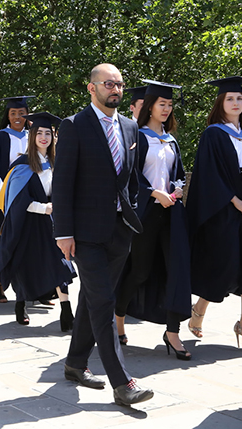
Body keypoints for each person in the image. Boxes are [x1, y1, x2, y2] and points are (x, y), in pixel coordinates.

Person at [53, 63, 153, 406]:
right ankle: (123, 382)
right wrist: (63, 232)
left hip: (119, 230)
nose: (116, 89)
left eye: (120, 84)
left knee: (94, 298)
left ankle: (75, 364)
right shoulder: (74, 126)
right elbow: (62, 183)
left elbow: (132, 178)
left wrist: (133, 212)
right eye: (109, 83)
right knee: (104, 301)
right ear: (91, 88)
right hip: (84, 234)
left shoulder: (129, 127)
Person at [186, 76, 242, 352]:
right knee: (224, 264)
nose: (236, 102)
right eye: (230, 98)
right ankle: (199, 308)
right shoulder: (213, 134)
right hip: (224, 210)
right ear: (221, 103)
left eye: (240, 99)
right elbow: (208, 176)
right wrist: (234, 201)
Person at [114, 81, 192, 361]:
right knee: (140, 272)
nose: (167, 109)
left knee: (176, 271)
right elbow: (129, 175)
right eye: (162, 104)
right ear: (149, 106)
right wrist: (153, 192)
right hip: (145, 213)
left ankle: (173, 332)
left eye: (169, 105)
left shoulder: (171, 140)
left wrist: (178, 187)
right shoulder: (137, 136)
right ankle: (119, 316)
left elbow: (179, 172)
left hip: (171, 214)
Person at [0, 112, 75, 330]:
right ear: (32, 136)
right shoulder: (22, 165)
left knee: (61, 263)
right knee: (25, 265)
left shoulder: (57, 161)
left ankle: (67, 311)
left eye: (47, 133)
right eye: (39, 133)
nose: (43, 137)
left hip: (52, 223)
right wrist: (44, 208)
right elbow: (17, 201)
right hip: (28, 224)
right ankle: (20, 304)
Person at [0, 96, 34, 303]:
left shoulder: (33, 136)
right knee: (0, 242)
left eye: (21, 113)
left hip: (31, 198)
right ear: (7, 115)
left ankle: (33, 288)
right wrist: (4, 194)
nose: (17, 117)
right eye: (13, 113)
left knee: (30, 243)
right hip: (2, 199)